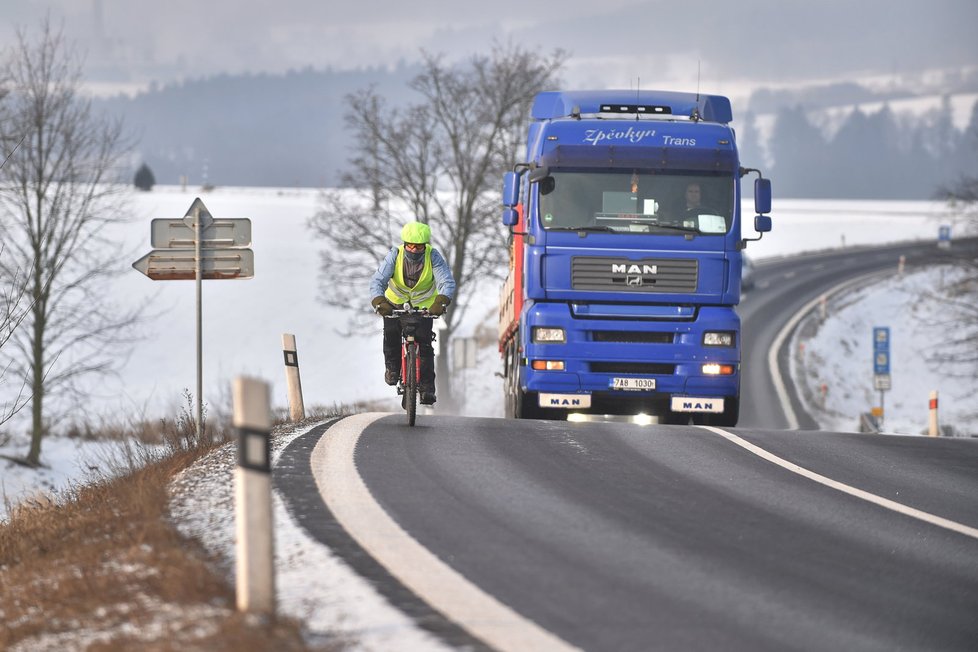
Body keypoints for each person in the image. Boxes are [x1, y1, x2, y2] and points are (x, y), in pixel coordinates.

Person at [369, 221, 456, 405]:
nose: (414, 250)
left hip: (423, 308)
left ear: (425, 246)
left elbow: (446, 282)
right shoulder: (395, 255)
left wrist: (440, 302)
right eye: (410, 245)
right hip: (394, 304)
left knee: (425, 345)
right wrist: (379, 301)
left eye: (418, 247)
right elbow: (377, 280)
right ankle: (392, 369)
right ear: (405, 243)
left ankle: (427, 389)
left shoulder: (434, 257)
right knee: (391, 334)